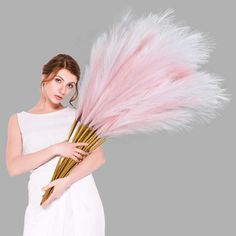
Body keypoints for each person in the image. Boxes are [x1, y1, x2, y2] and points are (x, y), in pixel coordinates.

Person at [5, 54, 106, 236]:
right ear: (45, 75)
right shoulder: (19, 120)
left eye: (70, 85)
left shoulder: (77, 117)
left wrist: (65, 182)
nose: (63, 90)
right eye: (58, 80)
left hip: (79, 196)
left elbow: (98, 157)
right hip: (43, 199)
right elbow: (14, 167)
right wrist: (56, 149)